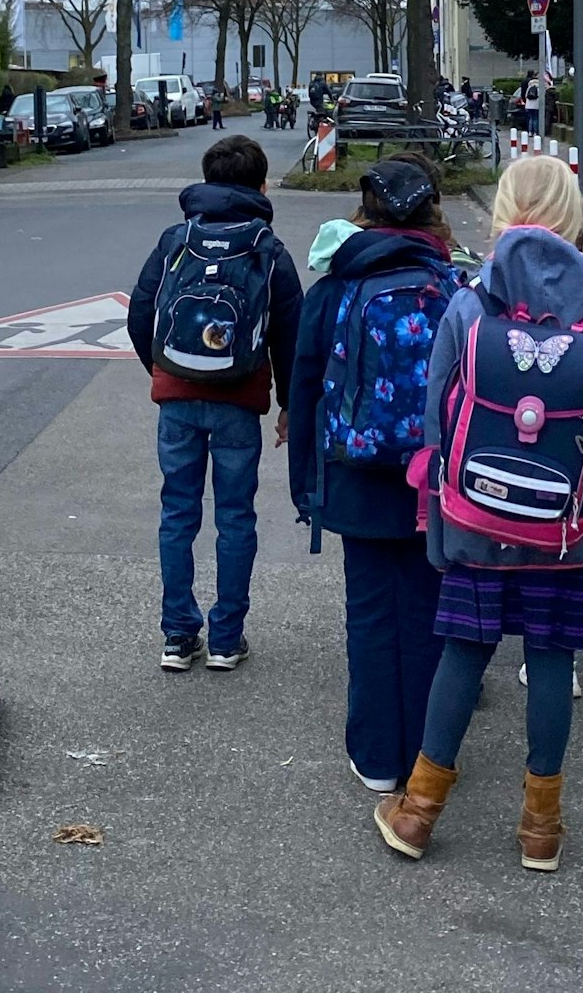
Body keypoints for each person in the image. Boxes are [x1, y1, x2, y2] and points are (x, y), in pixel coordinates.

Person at [372, 156, 583, 872]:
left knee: (463, 654)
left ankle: (419, 811)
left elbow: (437, 416)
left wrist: (440, 513)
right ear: (571, 212)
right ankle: (540, 829)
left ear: (501, 211)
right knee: (552, 660)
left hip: (478, 519)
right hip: (570, 531)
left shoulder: (471, 301)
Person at [289, 155, 462, 792]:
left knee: (367, 611)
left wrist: (308, 483)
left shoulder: (336, 285)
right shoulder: (452, 286)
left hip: (356, 475)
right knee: (426, 613)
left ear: (364, 212)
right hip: (434, 480)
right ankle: (426, 753)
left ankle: (375, 756)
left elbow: (306, 385)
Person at [128, 135, 304, 673]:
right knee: (235, 517)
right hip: (238, 402)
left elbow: (139, 314)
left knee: (177, 514)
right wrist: (289, 405)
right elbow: (290, 335)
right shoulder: (268, 250)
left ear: (206, 180)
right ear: (261, 184)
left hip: (177, 402)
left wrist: (166, 371)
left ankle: (179, 637)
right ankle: (227, 637)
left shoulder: (175, 240)